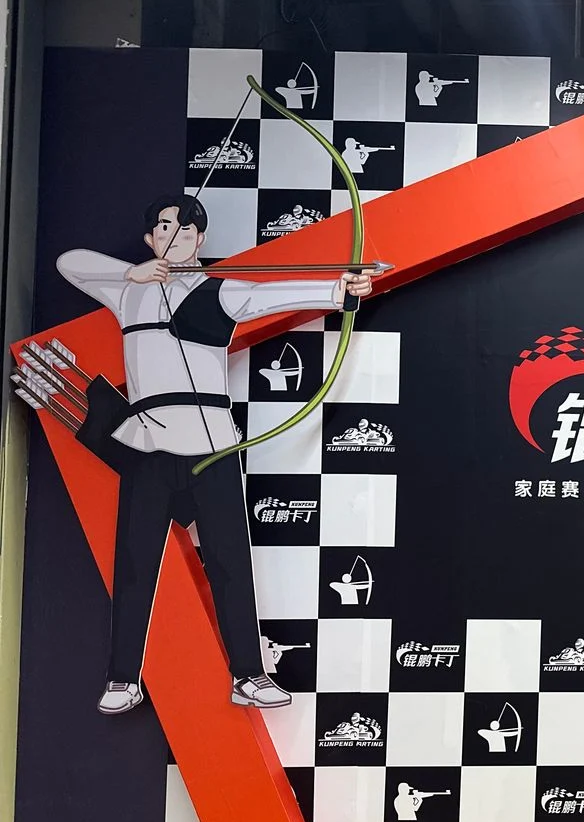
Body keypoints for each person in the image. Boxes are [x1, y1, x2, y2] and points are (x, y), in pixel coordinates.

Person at [58, 195, 377, 715]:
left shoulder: (219, 293)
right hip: (148, 446)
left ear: (200, 240)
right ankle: (122, 679)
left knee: (230, 564)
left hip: (213, 448)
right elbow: (68, 261)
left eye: (187, 230)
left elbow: (271, 297)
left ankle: (248, 675)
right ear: (150, 238)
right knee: (136, 565)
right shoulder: (127, 291)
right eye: (166, 227)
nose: (176, 236)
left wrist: (339, 288)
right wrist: (132, 274)